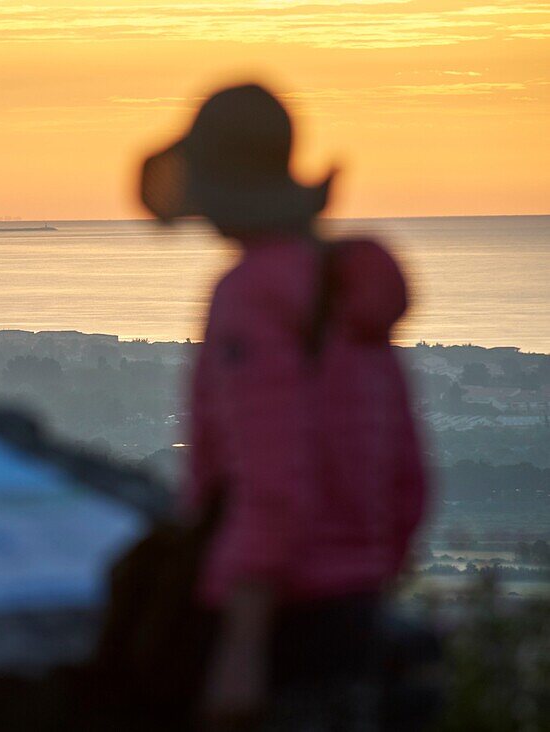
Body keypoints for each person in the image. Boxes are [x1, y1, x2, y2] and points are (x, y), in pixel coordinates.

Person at [141, 84, 428, 729]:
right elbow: (409, 479)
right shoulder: (349, 286)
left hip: (278, 626)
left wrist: (242, 648)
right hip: (359, 617)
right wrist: (367, 577)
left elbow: (270, 483)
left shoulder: (252, 294)